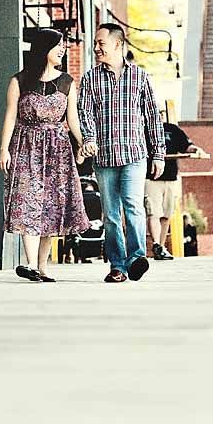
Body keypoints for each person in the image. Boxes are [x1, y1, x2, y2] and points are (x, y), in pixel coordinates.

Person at [0, 28, 89, 282]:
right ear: (43, 48)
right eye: (59, 45)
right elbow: (10, 117)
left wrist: (82, 143)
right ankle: (29, 264)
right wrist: (3, 149)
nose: (63, 49)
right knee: (28, 200)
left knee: (51, 205)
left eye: (64, 46)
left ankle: (42, 267)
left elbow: (73, 120)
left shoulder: (68, 83)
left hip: (57, 149)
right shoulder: (19, 81)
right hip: (25, 145)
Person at [78, 23, 166, 283]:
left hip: (134, 154)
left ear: (118, 44)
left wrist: (158, 153)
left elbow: (152, 117)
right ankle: (117, 266)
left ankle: (136, 257)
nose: (96, 48)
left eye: (100, 43)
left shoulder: (139, 77)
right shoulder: (91, 78)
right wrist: (89, 139)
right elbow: (85, 113)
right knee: (112, 215)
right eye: (96, 43)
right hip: (104, 157)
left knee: (134, 207)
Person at [144, 107, 206, 260]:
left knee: (167, 214)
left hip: (170, 178)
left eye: (161, 113)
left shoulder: (173, 130)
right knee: (154, 213)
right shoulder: (144, 129)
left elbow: (186, 146)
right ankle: (156, 244)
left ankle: (161, 247)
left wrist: (195, 150)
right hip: (152, 178)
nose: (159, 116)